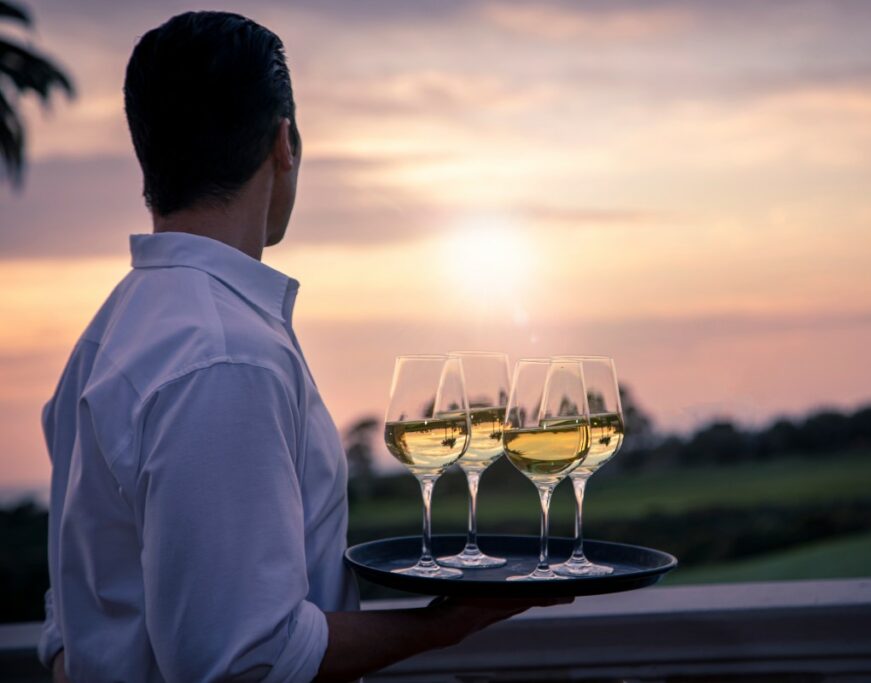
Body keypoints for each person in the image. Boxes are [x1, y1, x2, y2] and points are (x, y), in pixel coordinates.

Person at [39, 11, 563, 682]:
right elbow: (244, 662)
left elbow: (78, 605)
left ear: (149, 154)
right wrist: (446, 623)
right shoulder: (223, 354)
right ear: (282, 144)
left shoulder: (113, 329)